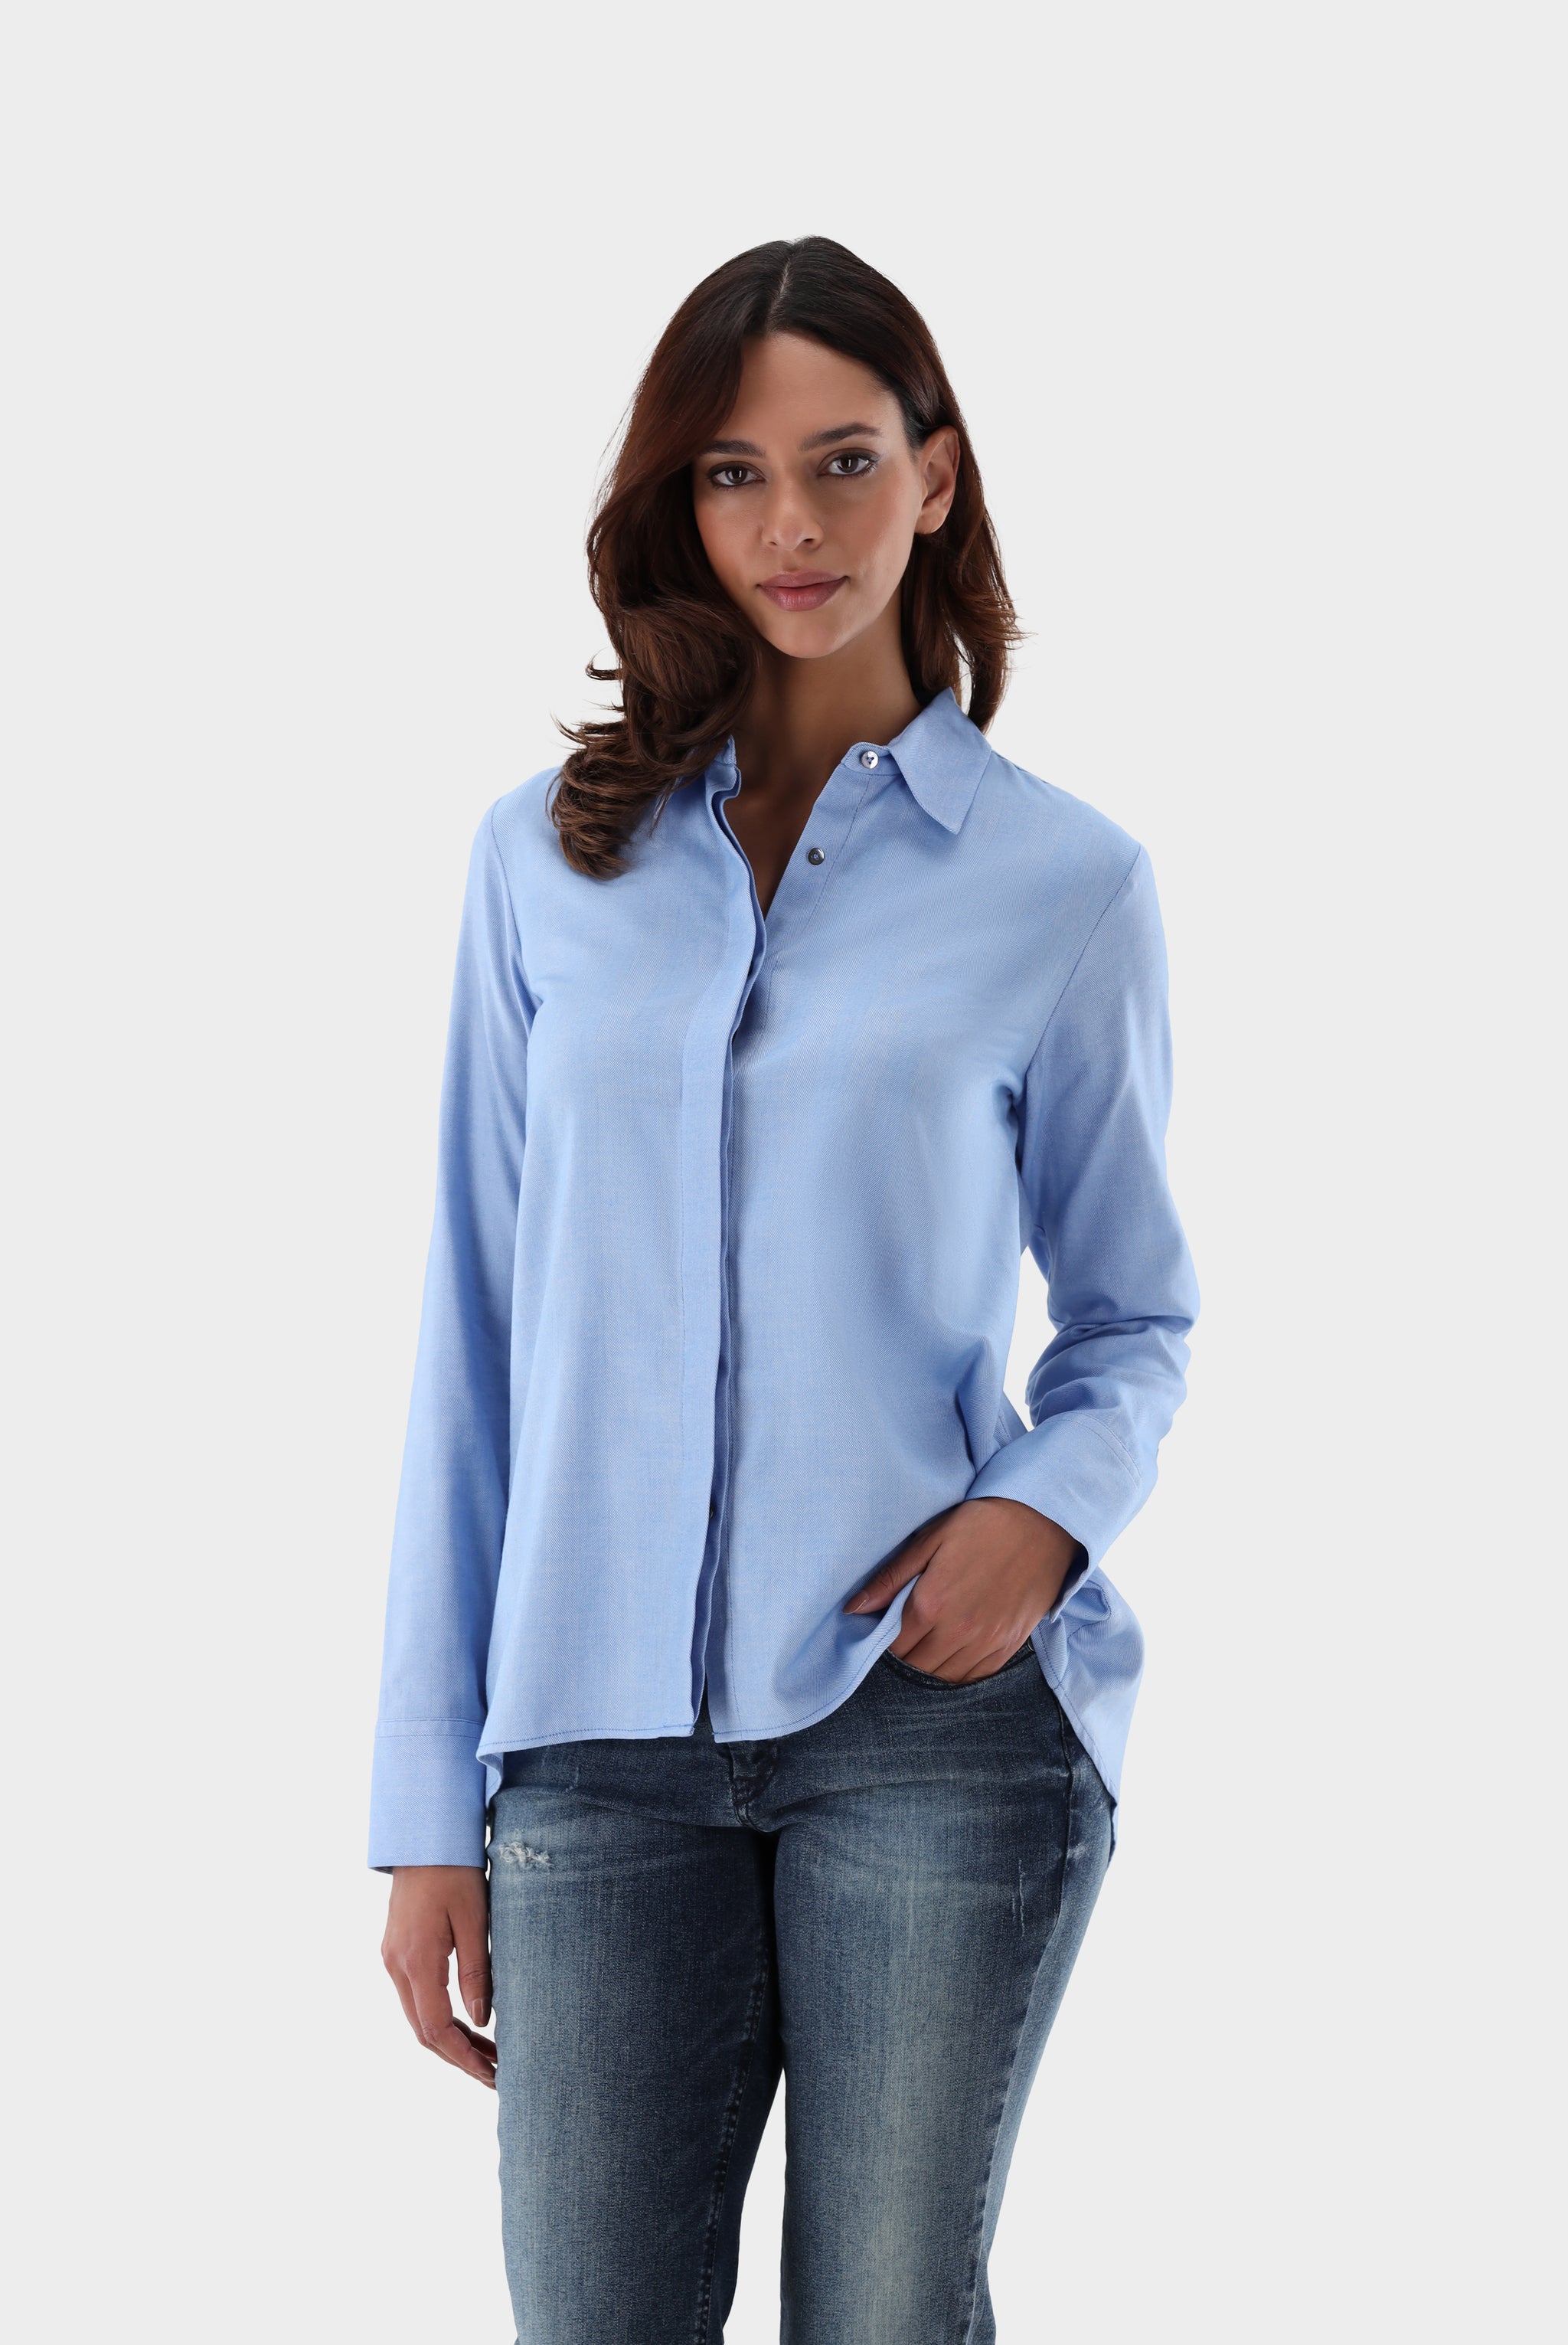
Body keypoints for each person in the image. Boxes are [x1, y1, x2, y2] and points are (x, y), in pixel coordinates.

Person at [370, 235, 1198, 2344]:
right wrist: (423, 1798)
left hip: (931, 1721)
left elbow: (1134, 1315)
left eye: (842, 460)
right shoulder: (542, 863)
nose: (793, 525)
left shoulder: (1064, 883)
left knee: (887, 2317)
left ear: (938, 473)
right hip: (592, 1741)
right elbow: (476, 1334)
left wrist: (1041, 1515)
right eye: (732, 475)